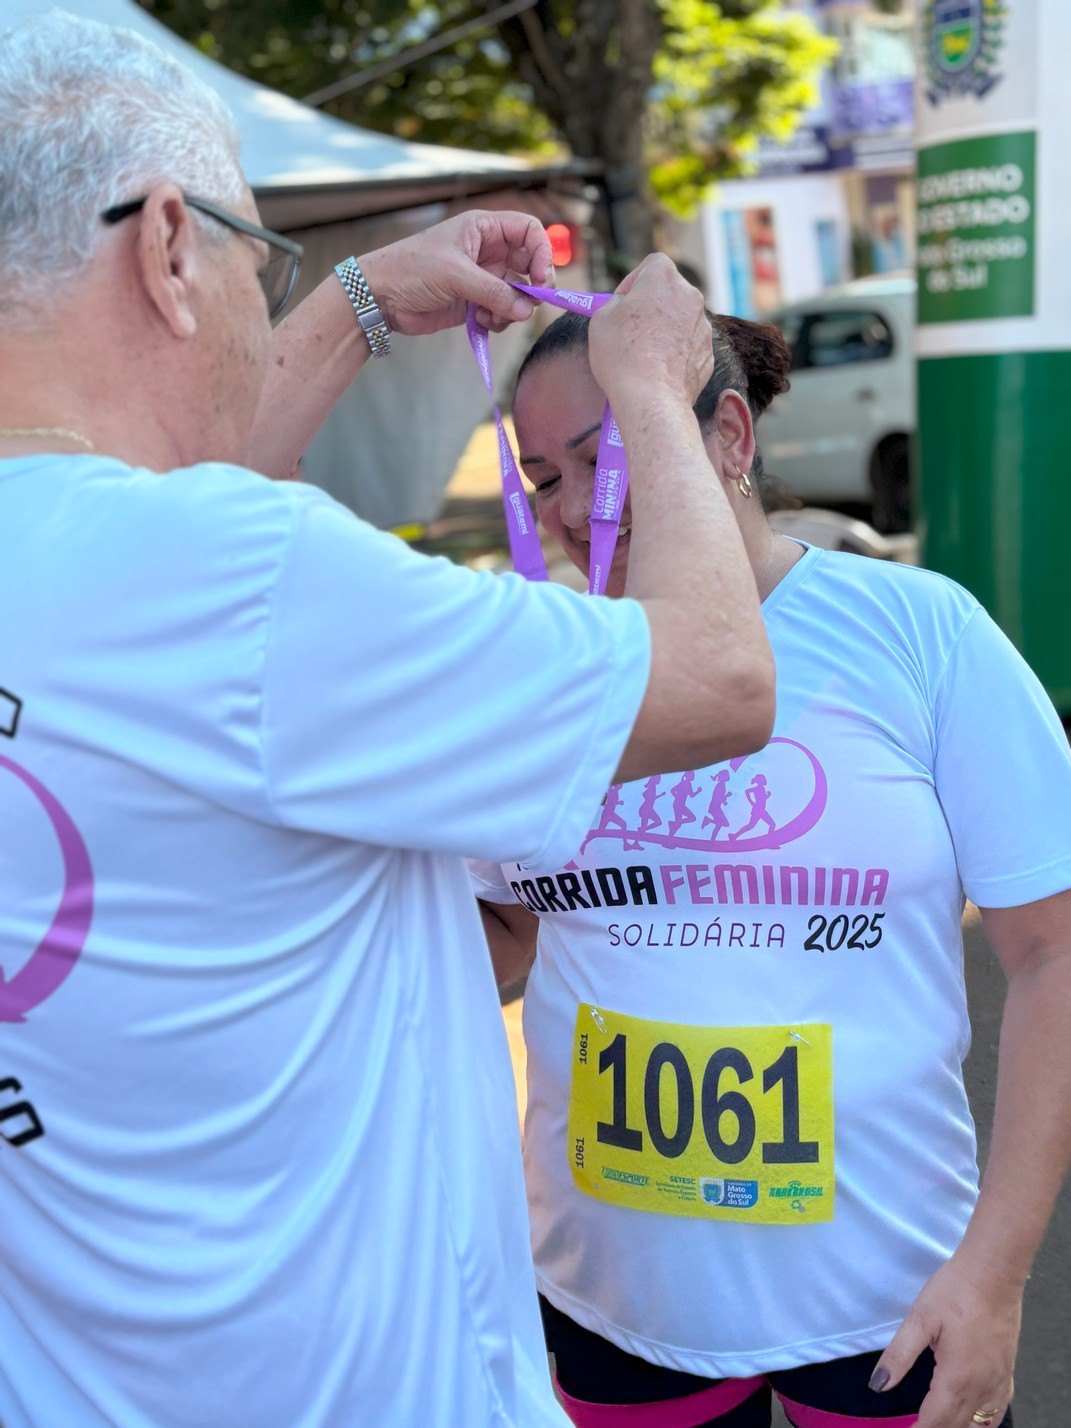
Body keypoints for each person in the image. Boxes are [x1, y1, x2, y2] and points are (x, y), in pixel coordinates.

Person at [0, 15, 776, 1428]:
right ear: (168, 246)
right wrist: (653, 393)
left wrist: (354, 298)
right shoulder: (236, 581)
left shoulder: (130, 577)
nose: (255, 306)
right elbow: (715, 681)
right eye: (256, 256)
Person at [474, 308, 1071, 1428]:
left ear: (730, 437)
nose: (569, 507)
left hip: (891, 1299)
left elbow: (1054, 954)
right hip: (610, 1299)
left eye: (609, 453)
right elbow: (506, 924)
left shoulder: (918, 631)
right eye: (544, 474)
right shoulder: (538, 665)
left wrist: (996, 1273)